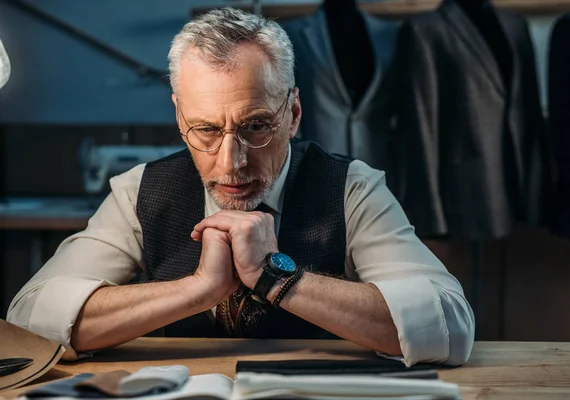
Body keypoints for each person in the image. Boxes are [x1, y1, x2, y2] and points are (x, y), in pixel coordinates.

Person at [7, 8, 474, 366]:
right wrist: (199, 289)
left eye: (255, 126)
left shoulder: (353, 188)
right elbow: (30, 320)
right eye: (206, 130)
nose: (230, 163)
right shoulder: (138, 191)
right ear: (178, 116)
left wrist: (277, 278)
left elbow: (449, 329)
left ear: (292, 114)